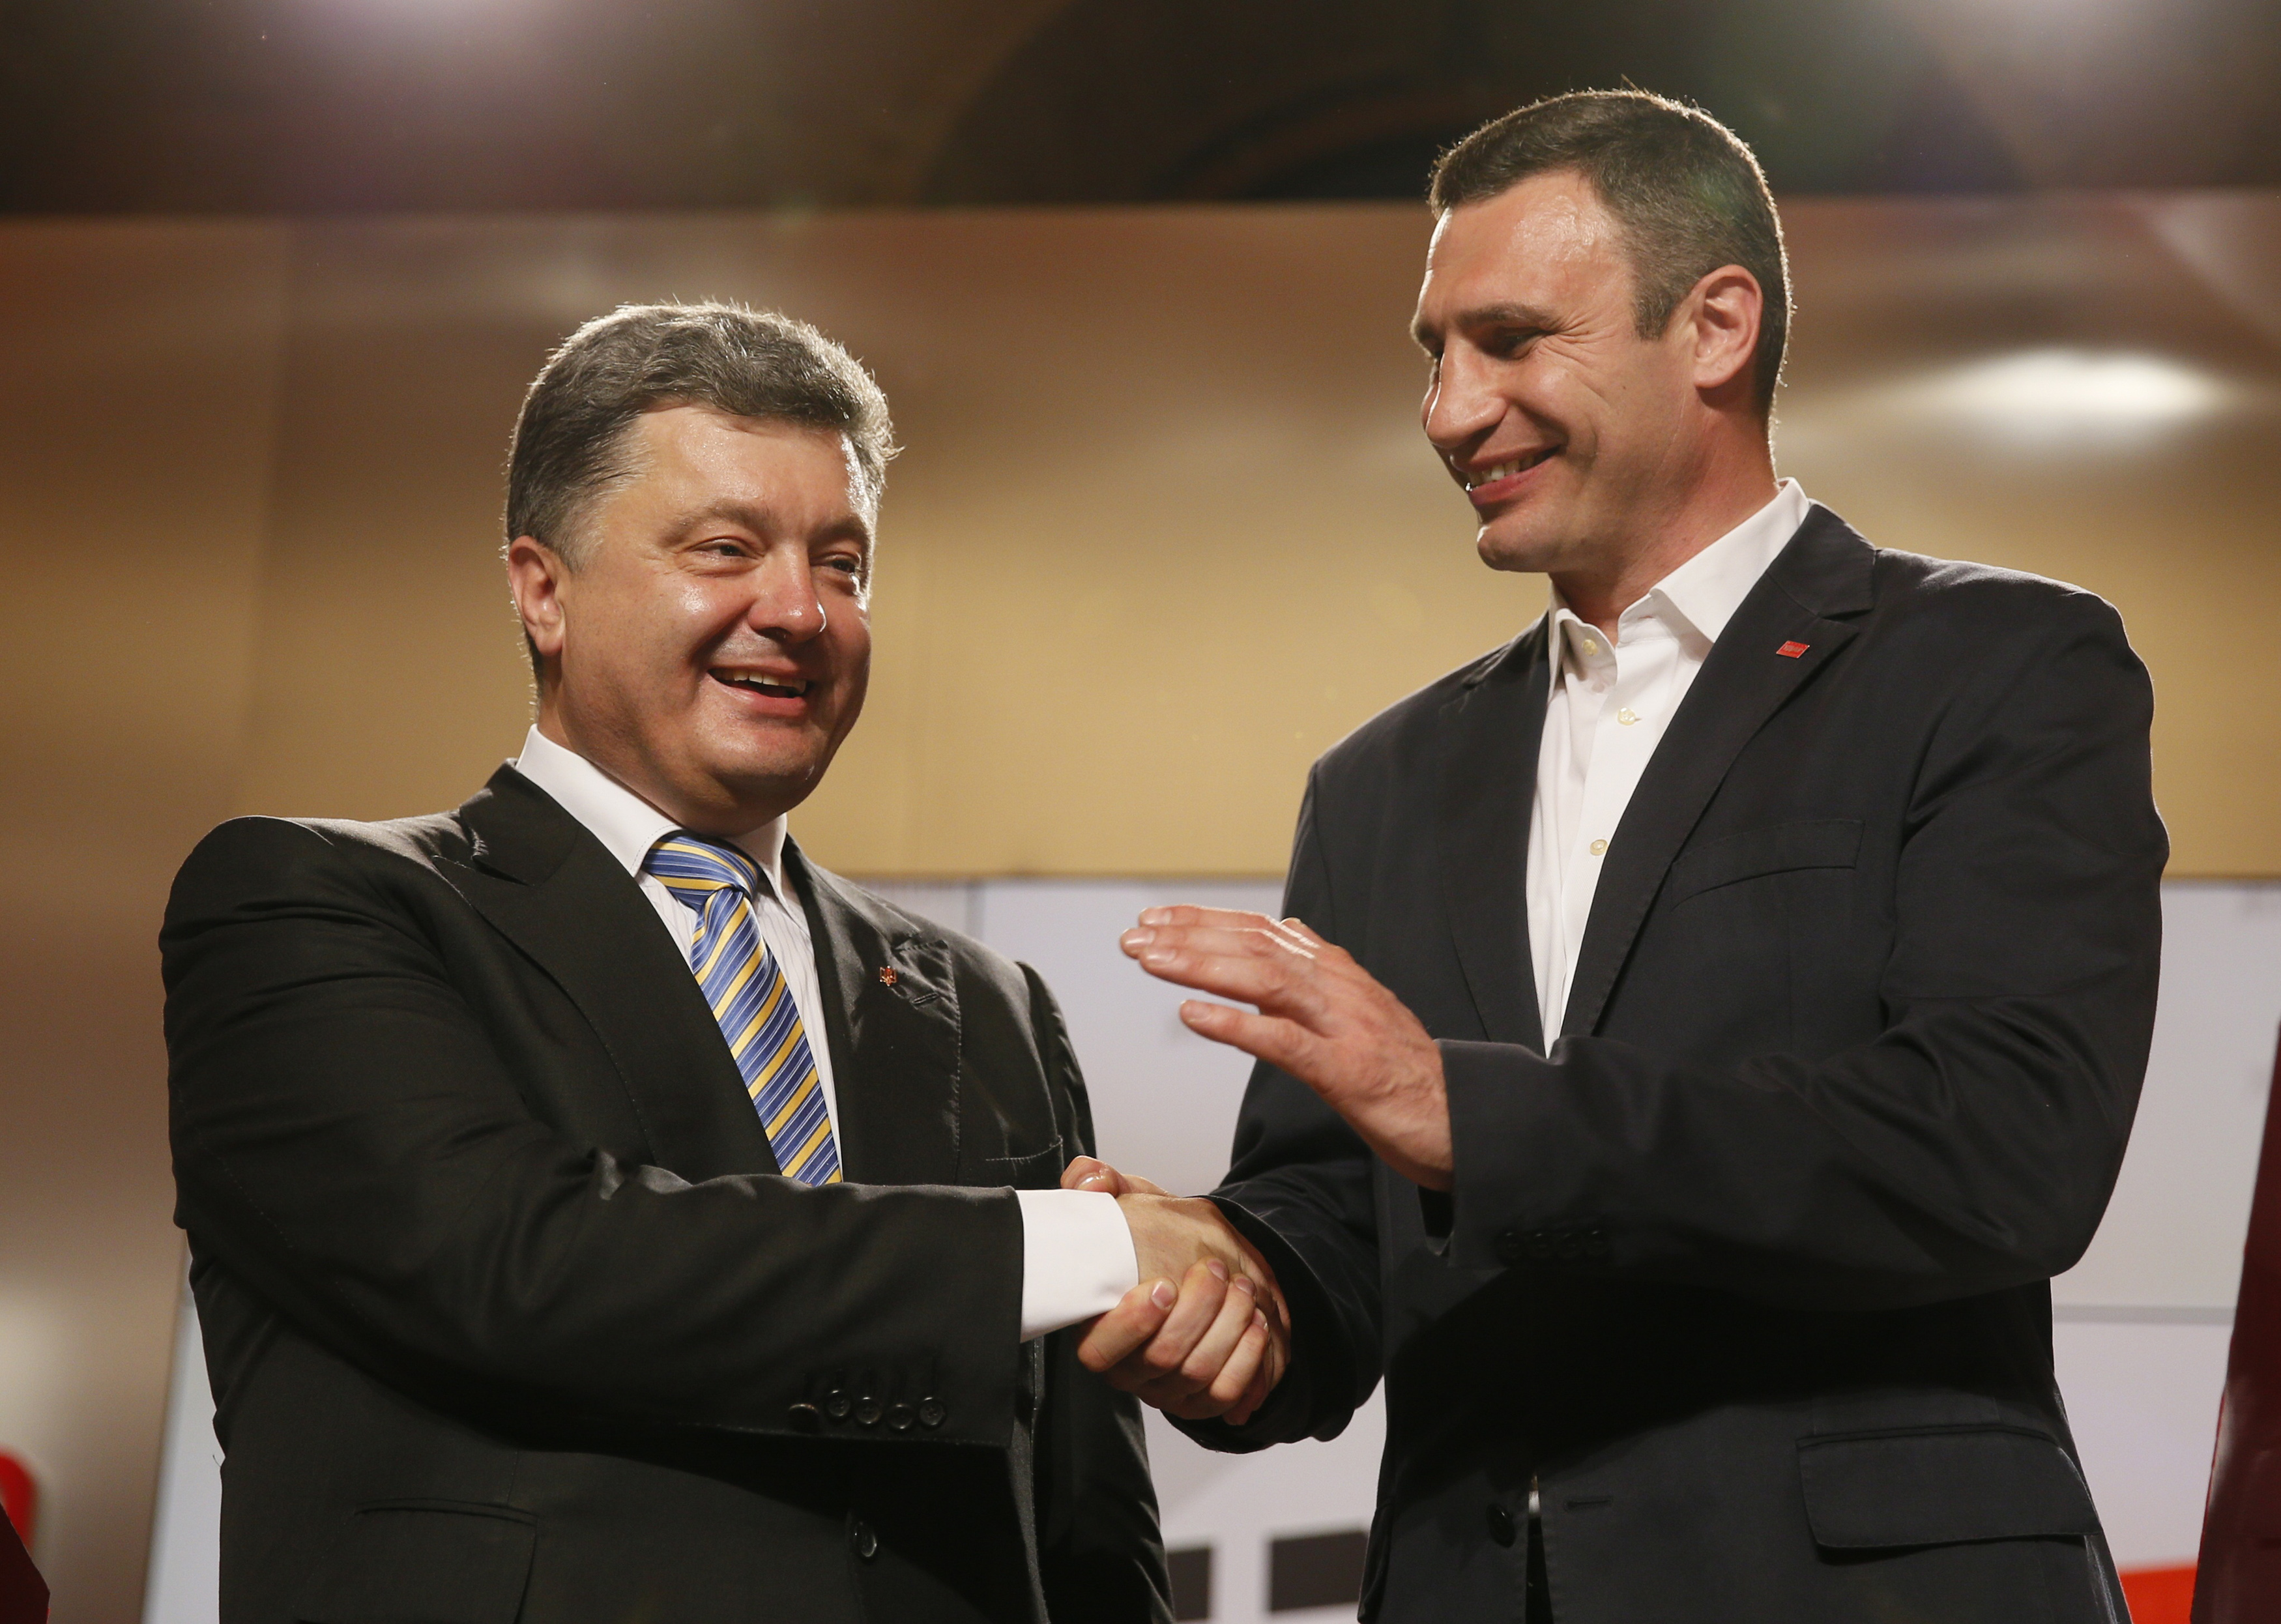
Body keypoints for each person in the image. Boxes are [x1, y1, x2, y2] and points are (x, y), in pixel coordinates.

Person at [1069, 91, 2166, 1621]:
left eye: (1511, 340)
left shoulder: (1999, 665)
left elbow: (2002, 1149)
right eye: (1434, 355)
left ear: (1716, 325)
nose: (1452, 410)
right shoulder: (1380, 782)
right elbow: (1339, 1230)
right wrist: (1223, 1293)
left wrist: (1472, 1111)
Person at [160, 302, 1281, 1623]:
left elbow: (1086, 1522)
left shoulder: (990, 1005)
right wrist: (1093, 1243)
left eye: (845, 564)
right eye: (725, 548)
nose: (800, 610)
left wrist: (1186, 1307)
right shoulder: (314, 906)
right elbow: (527, 1261)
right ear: (541, 587)